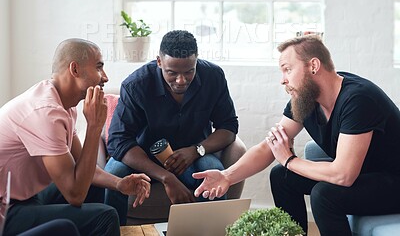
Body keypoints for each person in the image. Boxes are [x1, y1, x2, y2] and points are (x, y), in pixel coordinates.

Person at [193, 34, 400, 236]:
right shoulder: (306, 99)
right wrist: (227, 176)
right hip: (365, 175)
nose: (283, 80)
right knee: (281, 176)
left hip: (393, 182)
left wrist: (289, 160)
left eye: (287, 70)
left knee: (324, 195)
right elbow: (268, 148)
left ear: (313, 66)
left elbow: (343, 175)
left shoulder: (358, 99)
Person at [0, 38, 151, 236]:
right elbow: (75, 195)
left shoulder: (63, 105)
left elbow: (83, 166)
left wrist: (119, 184)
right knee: (105, 216)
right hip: (6, 211)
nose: (105, 77)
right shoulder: (46, 113)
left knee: (92, 185)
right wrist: (94, 127)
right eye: (99, 67)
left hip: (25, 198)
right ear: (75, 69)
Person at [105, 30, 239, 225]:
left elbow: (228, 126)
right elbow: (119, 140)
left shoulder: (213, 76)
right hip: (143, 157)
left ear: (196, 61)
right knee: (114, 171)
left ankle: (209, 230)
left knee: (212, 170)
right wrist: (167, 178)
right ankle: (113, 231)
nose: (181, 80)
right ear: (159, 62)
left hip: (195, 152)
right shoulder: (136, 85)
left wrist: (196, 150)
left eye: (189, 71)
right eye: (172, 73)